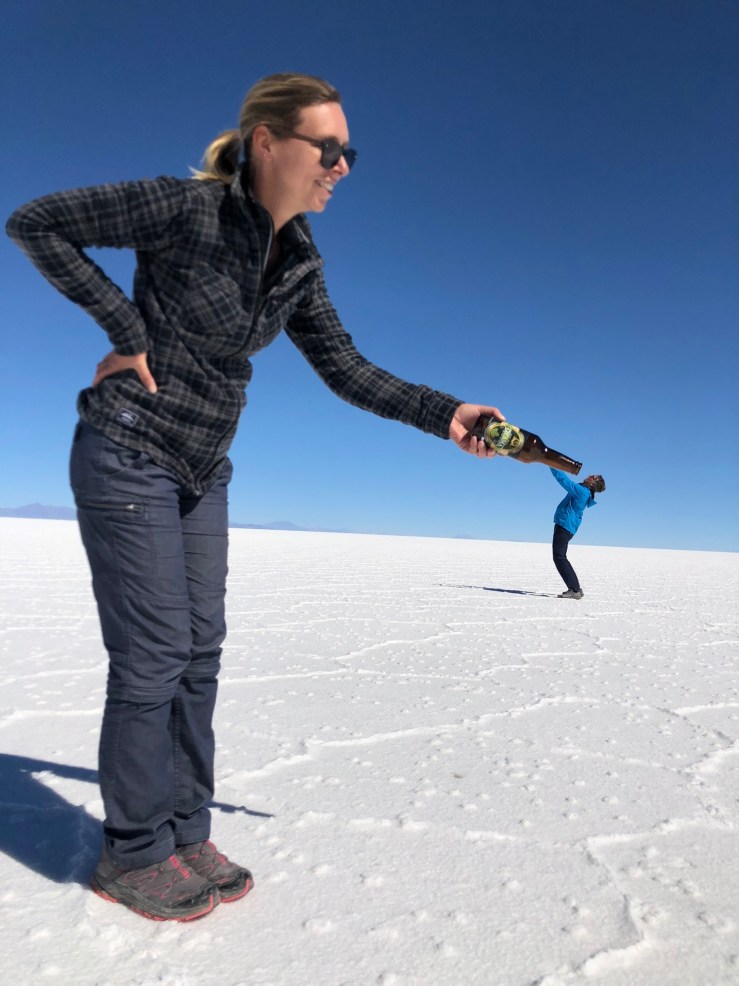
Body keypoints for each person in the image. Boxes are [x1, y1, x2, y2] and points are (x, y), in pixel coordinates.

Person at [6, 73, 504, 922]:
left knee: (200, 652)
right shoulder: (183, 208)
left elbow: (346, 369)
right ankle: (131, 853)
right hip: (129, 449)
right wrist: (125, 333)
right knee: (155, 653)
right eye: (329, 147)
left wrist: (445, 413)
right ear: (267, 142)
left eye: (352, 152)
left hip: (204, 470)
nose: (343, 165)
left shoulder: (300, 261)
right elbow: (37, 222)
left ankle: (183, 831)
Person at [550, 468, 606, 599]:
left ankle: (575, 590)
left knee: (560, 558)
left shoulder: (582, 491)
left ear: (593, 484)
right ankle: (575, 589)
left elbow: (564, 480)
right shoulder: (583, 490)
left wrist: (551, 463)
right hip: (565, 525)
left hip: (564, 526)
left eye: (593, 476)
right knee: (560, 557)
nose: (590, 475)